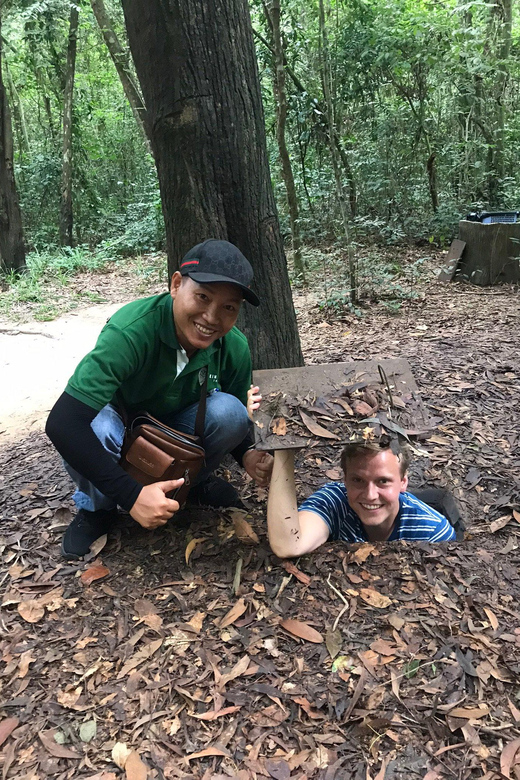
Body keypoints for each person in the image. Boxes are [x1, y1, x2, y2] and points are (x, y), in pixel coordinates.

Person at [46, 239, 273, 560]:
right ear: (177, 284)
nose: (211, 316)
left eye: (228, 307)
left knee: (231, 412)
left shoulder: (233, 347)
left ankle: (188, 487)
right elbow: (63, 422)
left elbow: (236, 423)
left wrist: (247, 456)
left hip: (176, 429)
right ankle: (98, 507)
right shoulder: (132, 331)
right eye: (203, 297)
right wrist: (133, 495)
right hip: (122, 421)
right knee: (98, 428)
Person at [266, 440, 456, 558]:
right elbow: (289, 545)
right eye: (358, 480)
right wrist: (283, 448)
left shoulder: (432, 532)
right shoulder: (334, 502)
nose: (370, 495)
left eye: (383, 481)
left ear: (403, 482)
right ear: (345, 480)